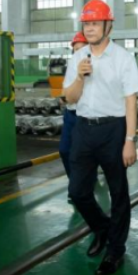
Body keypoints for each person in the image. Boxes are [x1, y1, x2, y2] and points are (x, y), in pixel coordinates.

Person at [62, 0, 138, 275]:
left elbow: (130, 101)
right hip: (83, 128)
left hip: (113, 130)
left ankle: (115, 250)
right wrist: (80, 78)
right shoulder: (78, 58)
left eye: (95, 23)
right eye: (86, 23)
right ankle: (101, 228)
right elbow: (69, 98)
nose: (90, 28)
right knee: (77, 191)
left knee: (118, 192)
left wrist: (130, 140)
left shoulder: (123, 58)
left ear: (108, 26)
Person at [60, 32, 88, 191]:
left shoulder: (90, 68)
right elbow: (65, 92)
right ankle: (75, 182)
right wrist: (64, 98)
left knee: (83, 154)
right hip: (70, 115)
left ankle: (85, 184)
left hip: (84, 116)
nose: (78, 53)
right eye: (76, 49)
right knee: (65, 150)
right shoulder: (71, 66)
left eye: (82, 49)